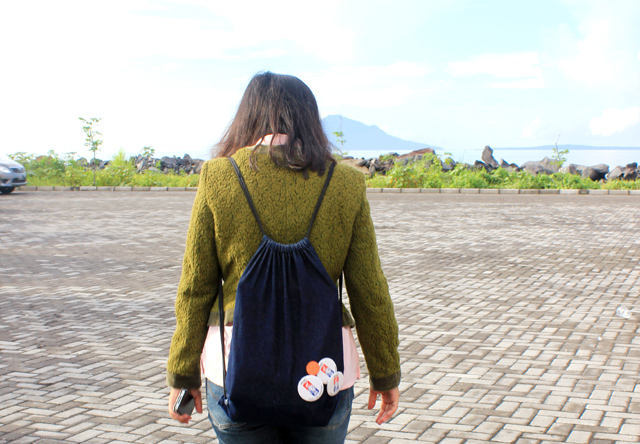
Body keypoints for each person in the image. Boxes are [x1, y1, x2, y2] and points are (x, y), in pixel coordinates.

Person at [166, 71, 400, 443]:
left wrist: (183, 372)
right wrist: (385, 373)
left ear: (248, 115)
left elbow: (196, 286)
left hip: (233, 367)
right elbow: (369, 290)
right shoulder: (345, 182)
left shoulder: (218, 177)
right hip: (324, 373)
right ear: (309, 117)